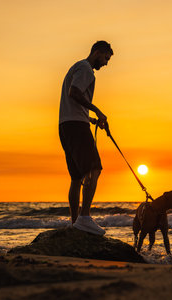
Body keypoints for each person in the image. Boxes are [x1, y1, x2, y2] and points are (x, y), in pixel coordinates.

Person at [58, 41, 113, 235]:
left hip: (66, 125)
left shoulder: (76, 66)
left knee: (76, 177)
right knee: (94, 168)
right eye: (106, 58)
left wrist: (89, 119)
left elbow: (73, 100)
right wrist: (97, 110)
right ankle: (85, 217)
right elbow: (75, 93)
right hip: (75, 126)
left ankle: (75, 223)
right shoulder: (86, 69)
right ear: (97, 52)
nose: (106, 63)